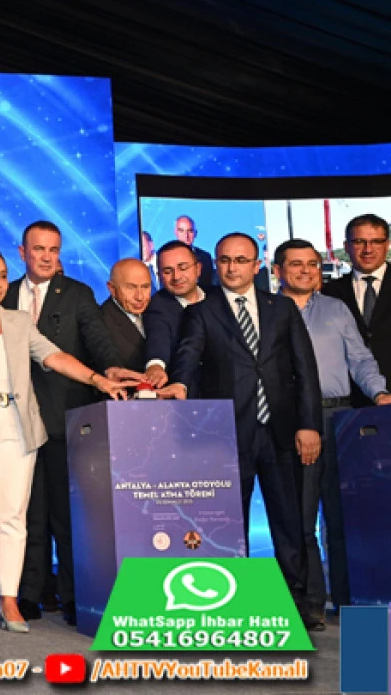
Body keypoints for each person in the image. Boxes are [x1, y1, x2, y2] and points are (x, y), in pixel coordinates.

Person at [0, 248, 129, 631]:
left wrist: (97, 379)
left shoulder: (19, 321)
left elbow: (54, 357)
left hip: (18, 429)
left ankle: (10, 600)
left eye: (1, 275)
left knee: (13, 516)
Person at [161, 232, 322, 628]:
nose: (232, 268)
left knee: (289, 523)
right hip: (226, 436)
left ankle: (294, 604)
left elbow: (305, 371)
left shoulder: (281, 308)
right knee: (229, 526)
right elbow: (188, 355)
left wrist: (309, 425)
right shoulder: (202, 311)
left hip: (282, 432)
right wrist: (178, 382)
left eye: (240, 260)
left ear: (257, 264)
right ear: (215, 264)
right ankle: (237, 604)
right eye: (225, 260)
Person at [2, 220, 131, 625]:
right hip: (13, 421)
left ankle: (75, 595)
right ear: (22, 253)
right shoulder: (3, 294)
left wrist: (112, 368)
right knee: (26, 512)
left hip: (64, 418)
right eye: (38, 249)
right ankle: (30, 593)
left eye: (53, 249)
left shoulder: (77, 293)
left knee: (67, 513)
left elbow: (98, 340)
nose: (46, 257)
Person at [272, 238, 390, 627]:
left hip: (339, 420)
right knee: (301, 519)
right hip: (291, 423)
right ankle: (309, 603)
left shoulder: (336, 309)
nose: (306, 271)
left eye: (312, 264)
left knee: (343, 517)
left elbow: (360, 359)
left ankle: (349, 599)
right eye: (296, 264)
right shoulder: (267, 312)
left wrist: (380, 392)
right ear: (278, 270)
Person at [322, 214, 391, 408]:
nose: (368, 249)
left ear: (387, 245)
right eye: (359, 242)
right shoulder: (330, 292)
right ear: (346, 246)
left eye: (376, 242)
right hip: (349, 403)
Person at [142, 240, 206, 387]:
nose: (176, 277)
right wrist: (155, 366)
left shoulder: (216, 296)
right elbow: (158, 338)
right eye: (167, 271)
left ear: (198, 269)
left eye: (183, 268)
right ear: (159, 275)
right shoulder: (157, 307)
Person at [101, 258, 152, 371]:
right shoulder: (100, 323)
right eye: (130, 287)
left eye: (145, 287)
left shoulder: (157, 311)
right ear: (112, 288)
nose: (139, 297)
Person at [175, 215, 216, 290]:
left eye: (190, 231)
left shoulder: (205, 257)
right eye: (181, 231)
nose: (186, 235)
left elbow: (210, 284)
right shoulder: (165, 257)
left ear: (195, 233)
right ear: (175, 232)